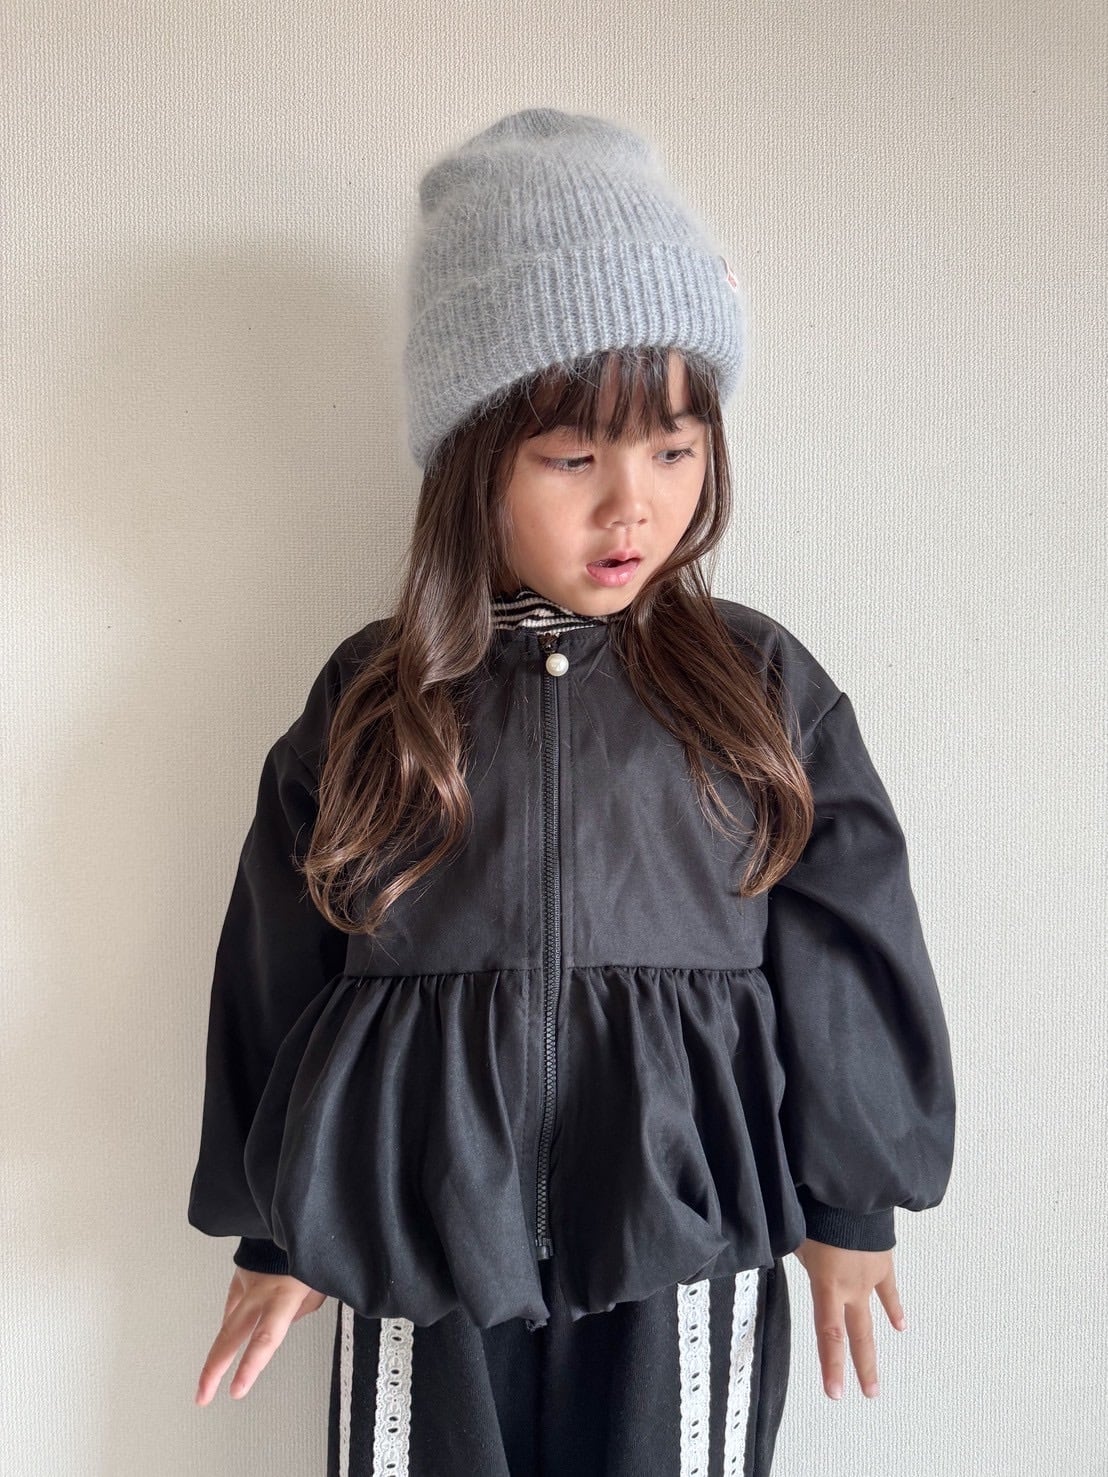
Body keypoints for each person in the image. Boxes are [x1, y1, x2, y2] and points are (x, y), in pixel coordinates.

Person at [187, 107, 956, 1476]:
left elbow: (848, 935)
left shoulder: (757, 687)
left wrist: (853, 1201)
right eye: (572, 457)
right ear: (474, 458)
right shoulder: (377, 699)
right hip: (416, 1228)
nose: (631, 506)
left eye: (673, 449)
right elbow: (278, 959)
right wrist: (277, 1223)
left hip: (682, 1218)